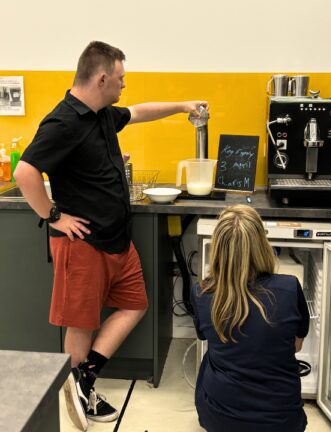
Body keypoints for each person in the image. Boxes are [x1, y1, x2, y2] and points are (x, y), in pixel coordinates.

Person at [13, 41, 208, 430]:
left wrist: (183, 105)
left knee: (135, 305)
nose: (123, 87)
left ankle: (84, 378)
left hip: (117, 239)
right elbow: (25, 173)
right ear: (101, 78)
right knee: (81, 324)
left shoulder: (99, 113)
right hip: (82, 242)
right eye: (120, 80)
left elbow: (138, 112)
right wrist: (54, 216)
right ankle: (74, 394)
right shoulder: (63, 121)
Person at [192, 205, 309, 432]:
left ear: (218, 248)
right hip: (282, 423)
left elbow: (206, 337)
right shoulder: (289, 288)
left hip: (218, 420)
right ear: (262, 245)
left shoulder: (202, 293)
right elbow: (296, 346)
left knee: (210, 358)